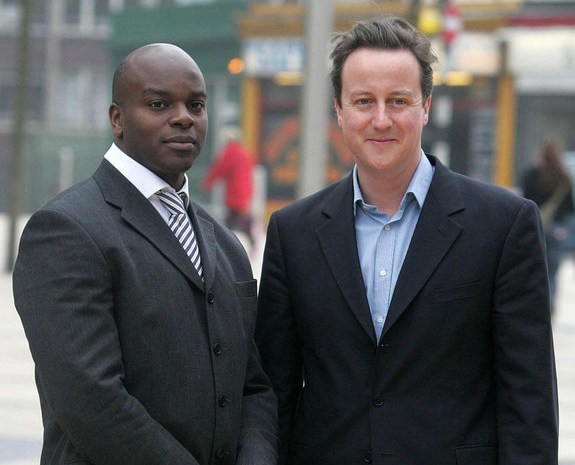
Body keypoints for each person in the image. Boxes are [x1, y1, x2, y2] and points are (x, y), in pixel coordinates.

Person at [255, 16, 558, 465]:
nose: (381, 119)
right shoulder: (292, 233)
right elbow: (272, 396)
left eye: (398, 100)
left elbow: (528, 402)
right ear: (339, 110)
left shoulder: (503, 225)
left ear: (426, 107)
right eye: (363, 101)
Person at [13, 43, 277, 465]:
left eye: (196, 104)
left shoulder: (226, 244)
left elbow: (253, 387)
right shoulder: (65, 230)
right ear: (117, 119)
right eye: (159, 103)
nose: (183, 117)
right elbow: (91, 400)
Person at [522, 140, 574, 313]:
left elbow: (524, 201)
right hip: (557, 231)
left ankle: (538, 303)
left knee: (534, 269)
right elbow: (568, 208)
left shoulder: (531, 174)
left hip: (535, 228)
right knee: (552, 271)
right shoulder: (564, 177)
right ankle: (550, 301)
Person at [202, 125, 255, 246]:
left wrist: (208, 183)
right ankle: (247, 241)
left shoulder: (230, 152)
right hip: (244, 190)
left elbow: (220, 168)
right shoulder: (244, 152)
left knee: (233, 220)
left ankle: (224, 243)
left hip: (234, 191)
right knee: (237, 218)